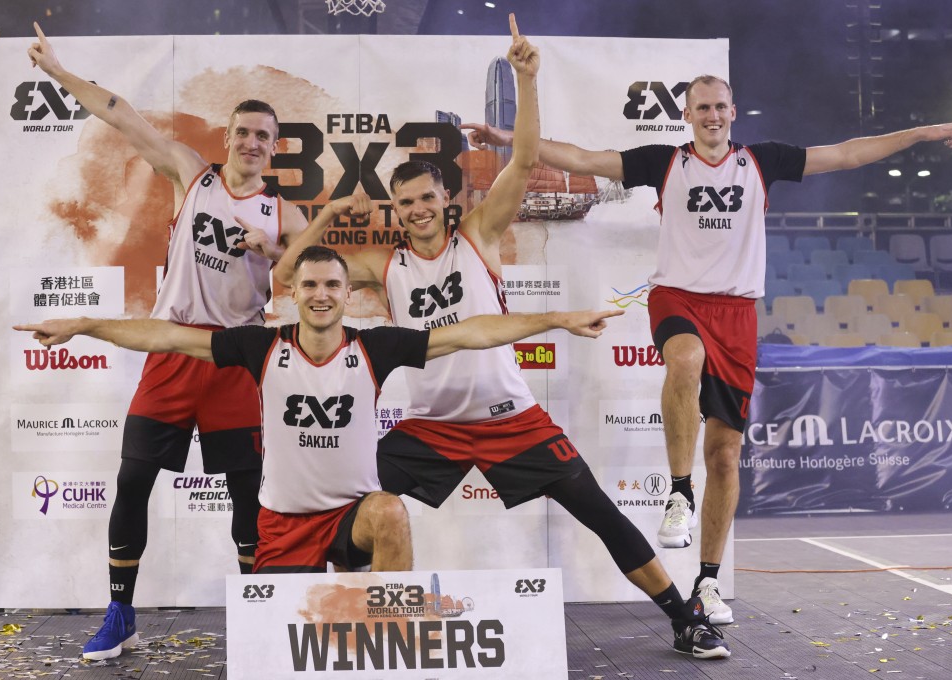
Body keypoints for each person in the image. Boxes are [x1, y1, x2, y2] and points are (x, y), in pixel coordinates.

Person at [275, 18, 731, 660]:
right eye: (406, 203)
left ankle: (684, 618)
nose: (418, 210)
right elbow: (292, 272)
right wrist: (324, 214)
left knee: (598, 509)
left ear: (448, 200)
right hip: (431, 423)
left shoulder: (480, 237)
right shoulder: (385, 265)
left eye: (428, 198)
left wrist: (526, 78)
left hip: (510, 417)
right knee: (344, 504)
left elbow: (522, 158)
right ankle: (349, 614)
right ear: (396, 210)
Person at [461, 74, 952, 625]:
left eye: (720, 107)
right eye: (702, 107)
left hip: (737, 314)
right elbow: (583, 158)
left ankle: (706, 583)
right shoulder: (663, 161)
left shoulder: (764, 160)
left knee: (726, 456)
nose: (712, 115)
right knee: (684, 359)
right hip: (678, 297)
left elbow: (848, 154)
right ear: (687, 114)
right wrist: (507, 136)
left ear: (735, 111)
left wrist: (923, 131)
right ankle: (678, 492)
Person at [24, 22, 367, 660]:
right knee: (133, 481)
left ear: (274, 147)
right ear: (230, 137)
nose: (252, 143)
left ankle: (261, 616)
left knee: (248, 494)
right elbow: (123, 117)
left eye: (264, 136)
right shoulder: (191, 173)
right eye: (243, 132)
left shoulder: (281, 212)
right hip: (175, 347)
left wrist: (275, 252)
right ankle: (120, 611)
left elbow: (311, 282)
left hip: (238, 359)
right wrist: (60, 72)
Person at [15, 245, 623, 578]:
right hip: (281, 530)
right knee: (284, 653)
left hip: (348, 520)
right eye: (310, 286)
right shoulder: (260, 346)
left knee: (389, 512)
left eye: (333, 285)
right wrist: (84, 325)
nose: (322, 294)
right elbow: (167, 338)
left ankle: (384, 645)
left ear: (347, 293)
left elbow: (473, 331)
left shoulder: (375, 346)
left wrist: (559, 319)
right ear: (294, 293)